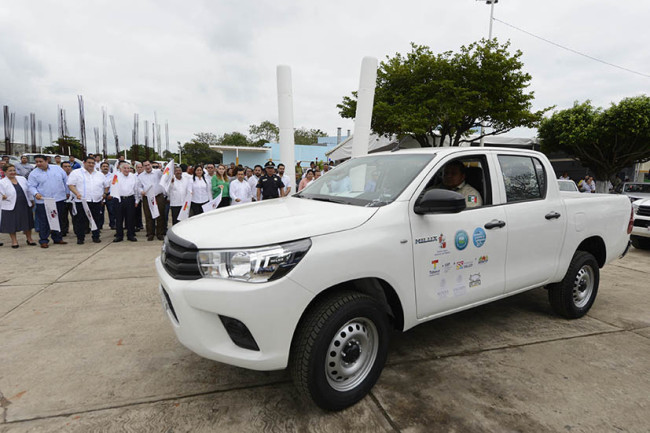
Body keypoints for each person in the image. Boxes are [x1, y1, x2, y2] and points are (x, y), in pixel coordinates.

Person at [27, 154, 69, 248]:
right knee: (44, 221)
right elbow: (31, 186)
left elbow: (65, 181)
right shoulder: (34, 173)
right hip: (43, 200)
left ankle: (57, 238)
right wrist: (35, 193)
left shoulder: (57, 169)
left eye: (40, 161)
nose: (38, 163)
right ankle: (44, 240)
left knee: (57, 219)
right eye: (36, 162)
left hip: (59, 199)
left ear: (46, 161)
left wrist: (67, 192)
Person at [67, 156, 108, 244]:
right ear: (84, 163)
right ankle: (80, 238)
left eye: (93, 163)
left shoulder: (99, 174)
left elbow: (106, 186)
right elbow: (70, 185)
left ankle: (96, 236)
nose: (91, 165)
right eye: (89, 163)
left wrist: (104, 194)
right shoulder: (76, 173)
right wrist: (77, 193)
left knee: (96, 220)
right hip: (82, 201)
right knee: (81, 220)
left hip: (96, 201)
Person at [0, 164, 36, 248]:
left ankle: (29, 239)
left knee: (27, 222)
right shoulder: (2, 182)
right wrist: (2, 196)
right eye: (10, 171)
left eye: (14, 170)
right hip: (10, 205)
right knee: (11, 224)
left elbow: (28, 191)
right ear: (5, 172)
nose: (12, 172)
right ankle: (14, 241)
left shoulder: (22, 179)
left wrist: (31, 200)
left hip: (24, 204)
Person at [108, 162, 139, 242]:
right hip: (119, 199)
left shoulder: (133, 177)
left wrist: (136, 200)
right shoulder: (116, 176)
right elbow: (112, 185)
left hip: (130, 199)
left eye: (128, 168)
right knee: (119, 218)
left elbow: (136, 189)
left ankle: (130, 235)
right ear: (121, 169)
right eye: (124, 168)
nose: (126, 170)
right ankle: (119, 235)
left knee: (130, 218)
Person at [138, 160, 166, 241]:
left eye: (148, 165)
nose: (147, 167)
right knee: (149, 216)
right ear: (143, 167)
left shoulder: (157, 172)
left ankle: (160, 234)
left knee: (160, 215)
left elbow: (164, 174)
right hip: (147, 197)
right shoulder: (141, 176)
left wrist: (162, 169)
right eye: (145, 165)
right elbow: (138, 186)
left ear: (151, 165)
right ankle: (150, 234)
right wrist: (141, 191)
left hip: (158, 196)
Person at [100, 162, 116, 229]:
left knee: (112, 211)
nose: (105, 167)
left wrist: (112, 194)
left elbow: (115, 185)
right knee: (100, 211)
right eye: (104, 166)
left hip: (110, 195)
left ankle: (113, 225)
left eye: (107, 166)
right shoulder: (97, 175)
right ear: (101, 168)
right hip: (100, 195)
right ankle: (99, 225)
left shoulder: (113, 176)